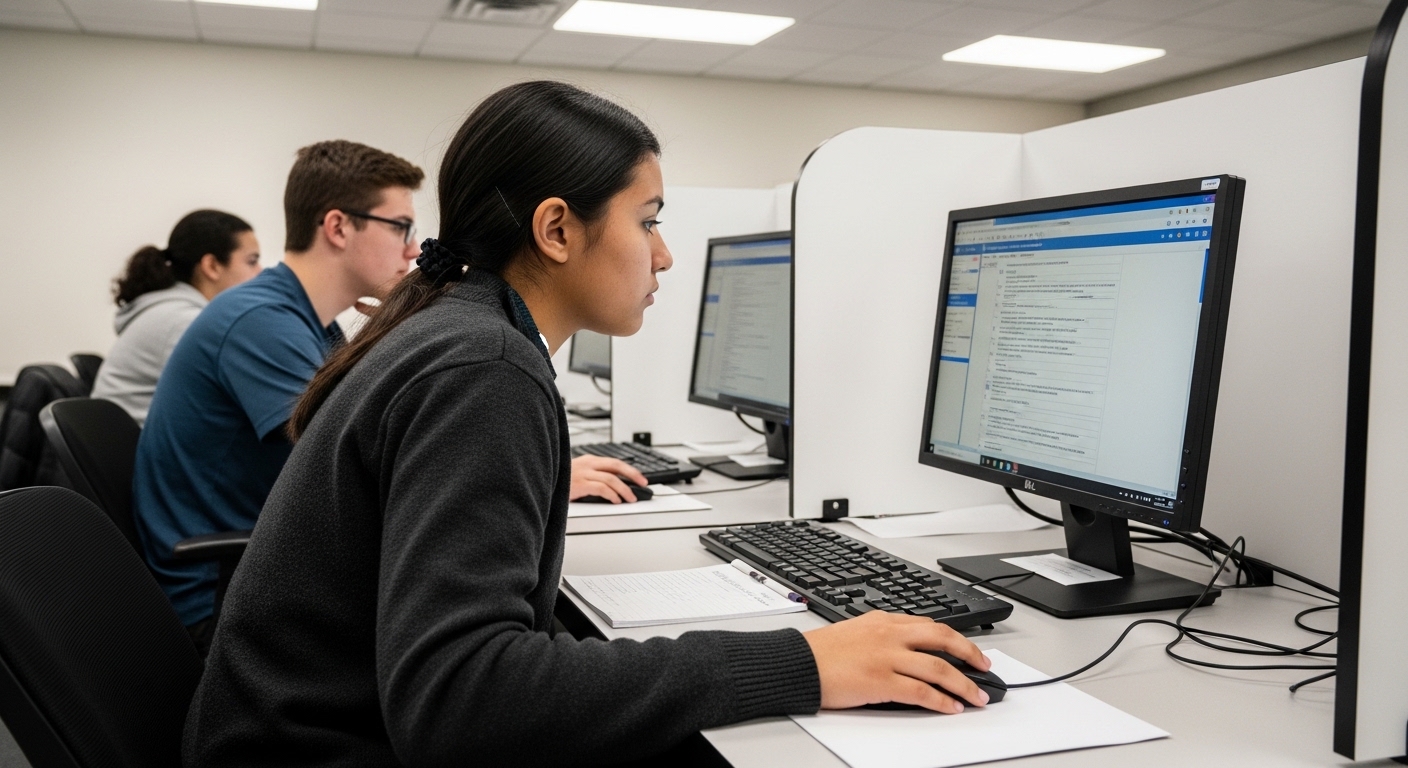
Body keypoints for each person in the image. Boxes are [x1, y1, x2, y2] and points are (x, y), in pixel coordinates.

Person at [183, 82, 994, 767]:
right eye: (648, 221)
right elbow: (463, 701)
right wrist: (803, 662)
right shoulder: (484, 368)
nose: (664, 255)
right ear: (557, 230)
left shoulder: (457, 330)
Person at [132, 140, 425, 652]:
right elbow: (359, 470)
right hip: (219, 600)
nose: (413, 249)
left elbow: (372, 431)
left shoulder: (303, 320)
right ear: (338, 227)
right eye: (400, 227)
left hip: (261, 569)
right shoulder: (261, 322)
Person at [91, 209, 261, 425]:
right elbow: (249, 394)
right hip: (137, 444)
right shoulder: (183, 321)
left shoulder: (172, 312)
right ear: (212, 266)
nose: (260, 272)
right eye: (251, 261)